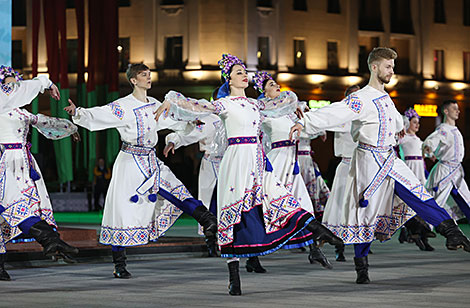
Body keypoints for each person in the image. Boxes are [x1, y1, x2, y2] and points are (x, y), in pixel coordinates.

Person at [155, 54, 343, 295]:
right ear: (228, 80)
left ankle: (318, 232)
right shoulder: (224, 104)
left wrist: (296, 106)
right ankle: (234, 276)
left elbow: (283, 101)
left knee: (281, 198)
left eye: (245, 72)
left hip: (258, 160)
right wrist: (173, 102)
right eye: (238, 73)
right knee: (229, 214)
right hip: (235, 160)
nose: (245, 75)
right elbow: (197, 106)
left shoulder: (257, 104)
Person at [293, 47, 470, 284]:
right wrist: (305, 121)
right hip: (368, 162)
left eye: (393, 67)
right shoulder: (360, 98)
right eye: (388, 66)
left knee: (418, 192)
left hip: (389, 158)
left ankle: (451, 232)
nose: (392, 71)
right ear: (374, 67)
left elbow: (396, 122)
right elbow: (335, 112)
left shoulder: (386, 98)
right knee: (365, 215)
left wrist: (398, 129)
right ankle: (361, 267)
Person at [64, 63, 217, 279]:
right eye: (143, 75)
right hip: (130, 163)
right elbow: (101, 114)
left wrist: (191, 122)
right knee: (123, 212)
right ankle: (119, 263)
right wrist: (79, 113)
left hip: (150, 158)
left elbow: (174, 121)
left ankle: (208, 220)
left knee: (176, 189)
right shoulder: (123, 106)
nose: (148, 77)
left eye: (149, 74)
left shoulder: (154, 104)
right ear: (133, 80)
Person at [0, 66, 79, 280]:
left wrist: (70, 128)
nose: (13, 86)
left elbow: (44, 122)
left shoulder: (22, 112)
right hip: (5, 162)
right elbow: (24, 88)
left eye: (14, 81)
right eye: (8, 81)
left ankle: (51, 242)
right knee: (14, 205)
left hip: (25, 164)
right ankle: (52, 241)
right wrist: (46, 82)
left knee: (19, 207)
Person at [255, 70, 333, 269]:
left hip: (293, 163)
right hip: (278, 162)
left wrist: (303, 114)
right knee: (269, 208)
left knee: (304, 207)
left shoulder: (290, 111)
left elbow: (306, 127)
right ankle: (252, 256)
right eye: (271, 85)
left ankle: (314, 250)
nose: (277, 86)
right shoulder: (262, 113)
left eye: (276, 84)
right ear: (263, 92)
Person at [164, 113, 222, 257]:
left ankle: (231, 242)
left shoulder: (234, 116)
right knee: (208, 203)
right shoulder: (208, 119)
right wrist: (173, 141)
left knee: (229, 201)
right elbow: (190, 134)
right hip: (210, 162)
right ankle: (210, 241)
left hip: (230, 162)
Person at [321, 84, 360, 262]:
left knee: (361, 206)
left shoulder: (365, 116)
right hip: (346, 165)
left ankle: (362, 243)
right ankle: (339, 245)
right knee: (340, 206)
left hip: (362, 166)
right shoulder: (341, 115)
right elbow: (325, 119)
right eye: (353, 96)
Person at [423, 100, 470, 222]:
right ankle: (423, 228)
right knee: (437, 201)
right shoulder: (443, 129)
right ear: (446, 111)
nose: (458, 111)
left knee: (466, 199)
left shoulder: (455, 130)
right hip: (445, 170)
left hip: (456, 170)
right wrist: (429, 148)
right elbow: (432, 140)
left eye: (458, 109)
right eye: (454, 108)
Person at [397, 108, 436, 251]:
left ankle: (417, 233)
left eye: (418, 123)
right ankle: (412, 231)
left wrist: (429, 154)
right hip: (410, 169)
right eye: (414, 122)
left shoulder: (418, 139)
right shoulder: (403, 137)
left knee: (422, 201)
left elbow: (424, 153)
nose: (417, 125)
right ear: (408, 123)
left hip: (420, 170)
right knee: (410, 202)